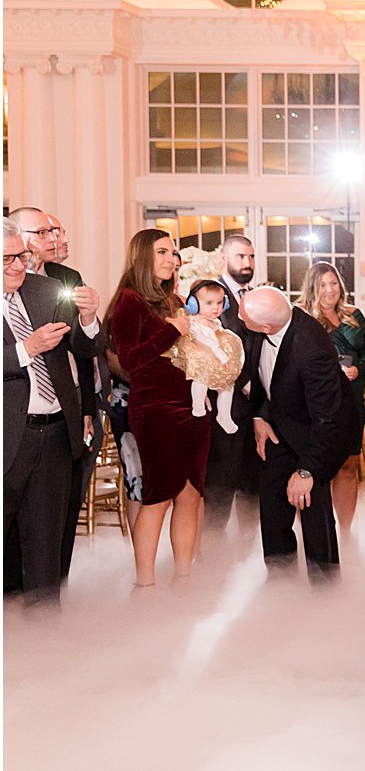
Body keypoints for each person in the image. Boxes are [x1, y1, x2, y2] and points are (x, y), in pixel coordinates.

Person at [106, 229, 212, 587]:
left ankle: (184, 578)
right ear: (142, 257)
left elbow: (189, 355)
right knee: (158, 496)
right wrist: (173, 331)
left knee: (190, 493)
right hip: (156, 409)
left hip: (192, 408)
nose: (171, 259)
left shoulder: (174, 301)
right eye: (162, 252)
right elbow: (130, 361)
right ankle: (145, 584)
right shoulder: (128, 301)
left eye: (173, 253)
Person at [3, 222, 99, 604]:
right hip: (8, 436)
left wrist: (90, 320)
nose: (18, 266)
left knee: (46, 546)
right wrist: (27, 348)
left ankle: (46, 641)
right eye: (7, 258)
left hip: (56, 433)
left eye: (22, 256)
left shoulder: (43, 290)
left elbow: (85, 348)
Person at [241, 288, 361, 583]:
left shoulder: (311, 349)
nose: (239, 317)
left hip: (317, 433)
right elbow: (257, 374)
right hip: (279, 424)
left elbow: (328, 418)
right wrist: (259, 417)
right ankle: (280, 581)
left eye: (243, 315)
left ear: (266, 326)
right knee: (272, 506)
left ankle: (326, 587)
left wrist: (307, 471)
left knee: (313, 508)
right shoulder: (264, 326)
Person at [297, 261, 365, 531]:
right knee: (315, 467)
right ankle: (314, 531)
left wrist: (358, 369)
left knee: (348, 467)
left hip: (351, 400)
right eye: (322, 285)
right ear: (312, 289)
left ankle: (346, 531)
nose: (330, 290)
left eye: (333, 283)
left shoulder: (354, 315)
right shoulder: (302, 318)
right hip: (317, 404)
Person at [203, 233, 259, 535]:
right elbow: (209, 348)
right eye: (240, 256)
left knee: (252, 485)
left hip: (253, 407)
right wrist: (245, 382)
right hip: (224, 403)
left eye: (251, 257)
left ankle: (248, 553)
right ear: (224, 258)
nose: (247, 263)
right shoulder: (212, 295)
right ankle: (212, 554)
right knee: (220, 485)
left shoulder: (254, 294)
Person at [178, 280, 243, 436]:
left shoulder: (212, 321)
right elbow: (210, 342)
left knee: (227, 384)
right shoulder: (198, 322)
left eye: (220, 303)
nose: (216, 307)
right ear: (194, 304)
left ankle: (224, 415)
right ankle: (198, 404)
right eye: (209, 303)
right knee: (201, 377)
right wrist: (223, 357)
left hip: (215, 355)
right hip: (202, 356)